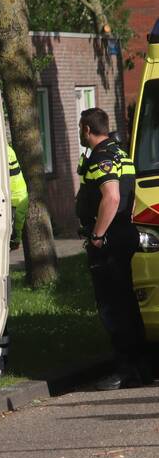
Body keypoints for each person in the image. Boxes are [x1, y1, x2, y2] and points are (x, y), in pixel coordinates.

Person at [75, 108, 150, 390]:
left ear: (86, 129)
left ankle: (125, 371)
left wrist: (97, 235)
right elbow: (130, 196)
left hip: (108, 240)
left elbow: (112, 197)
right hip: (123, 234)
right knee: (127, 305)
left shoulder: (102, 157)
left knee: (112, 308)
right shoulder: (121, 153)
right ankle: (141, 369)